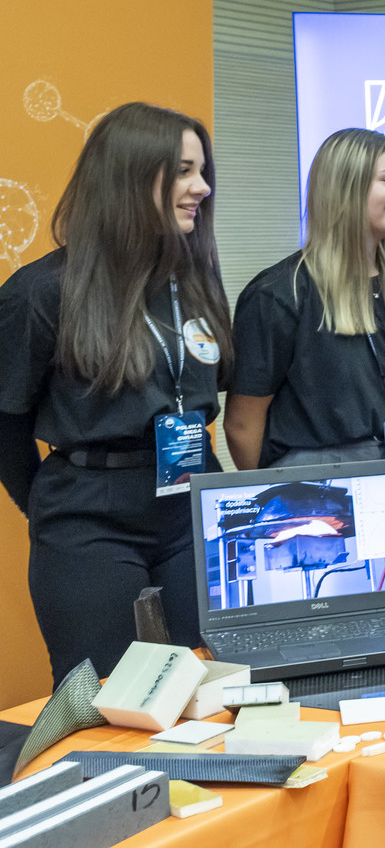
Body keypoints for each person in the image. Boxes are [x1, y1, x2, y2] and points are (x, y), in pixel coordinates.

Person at [0, 102, 233, 683]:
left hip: (189, 506)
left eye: (202, 171)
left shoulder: (194, 279)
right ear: (131, 177)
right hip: (90, 519)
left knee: (209, 689)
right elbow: (5, 423)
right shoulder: (42, 292)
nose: (202, 187)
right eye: (184, 171)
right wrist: (53, 506)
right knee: (107, 697)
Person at [226, 129, 385, 469]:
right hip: (312, 485)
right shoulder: (280, 294)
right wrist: (272, 492)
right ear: (347, 187)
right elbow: (242, 424)